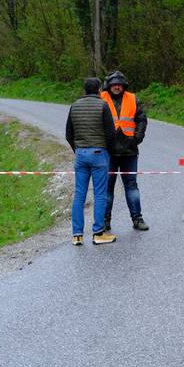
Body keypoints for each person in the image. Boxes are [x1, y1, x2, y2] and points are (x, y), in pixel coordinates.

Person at [65, 77, 118, 246]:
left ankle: (77, 235)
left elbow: (69, 134)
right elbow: (111, 133)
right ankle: (98, 233)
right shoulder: (103, 105)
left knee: (79, 194)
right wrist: (107, 151)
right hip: (99, 153)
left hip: (81, 154)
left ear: (84, 90)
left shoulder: (74, 106)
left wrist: (78, 150)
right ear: (99, 90)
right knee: (100, 193)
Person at [100, 70, 149, 232]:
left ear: (123, 85)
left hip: (129, 150)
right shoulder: (101, 98)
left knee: (132, 186)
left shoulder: (133, 98)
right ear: (109, 85)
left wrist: (138, 137)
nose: (117, 87)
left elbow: (141, 119)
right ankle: (105, 220)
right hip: (108, 151)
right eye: (114, 84)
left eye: (119, 84)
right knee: (107, 187)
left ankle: (137, 218)